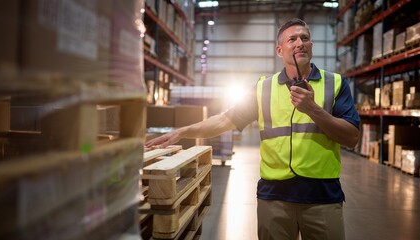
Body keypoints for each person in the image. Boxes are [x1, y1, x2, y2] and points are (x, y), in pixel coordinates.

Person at [145, 18, 360, 240]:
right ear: (279, 50)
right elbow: (223, 121)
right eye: (292, 39)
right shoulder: (263, 88)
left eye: (305, 38)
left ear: (312, 46)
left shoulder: (335, 83)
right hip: (274, 197)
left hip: (322, 197)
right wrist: (181, 131)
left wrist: (313, 109)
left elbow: (352, 137)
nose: (300, 43)